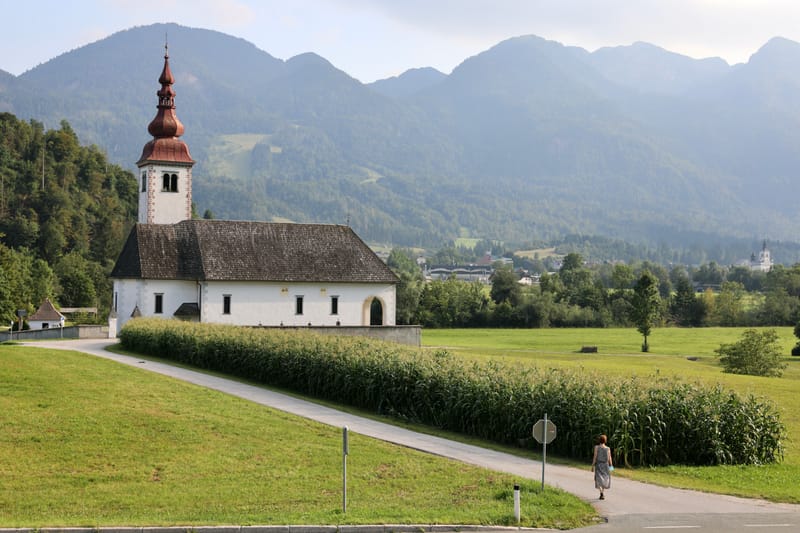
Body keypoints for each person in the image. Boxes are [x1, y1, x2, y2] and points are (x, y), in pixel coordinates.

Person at [591, 434, 613, 500]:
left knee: (598, 479)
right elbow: (610, 458)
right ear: (605, 441)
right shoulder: (608, 448)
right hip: (606, 465)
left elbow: (595, 457)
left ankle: (601, 493)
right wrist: (611, 467)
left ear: (599, 440)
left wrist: (592, 466)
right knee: (604, 479)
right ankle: (602, 493)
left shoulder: (596, 447)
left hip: (598, 465)